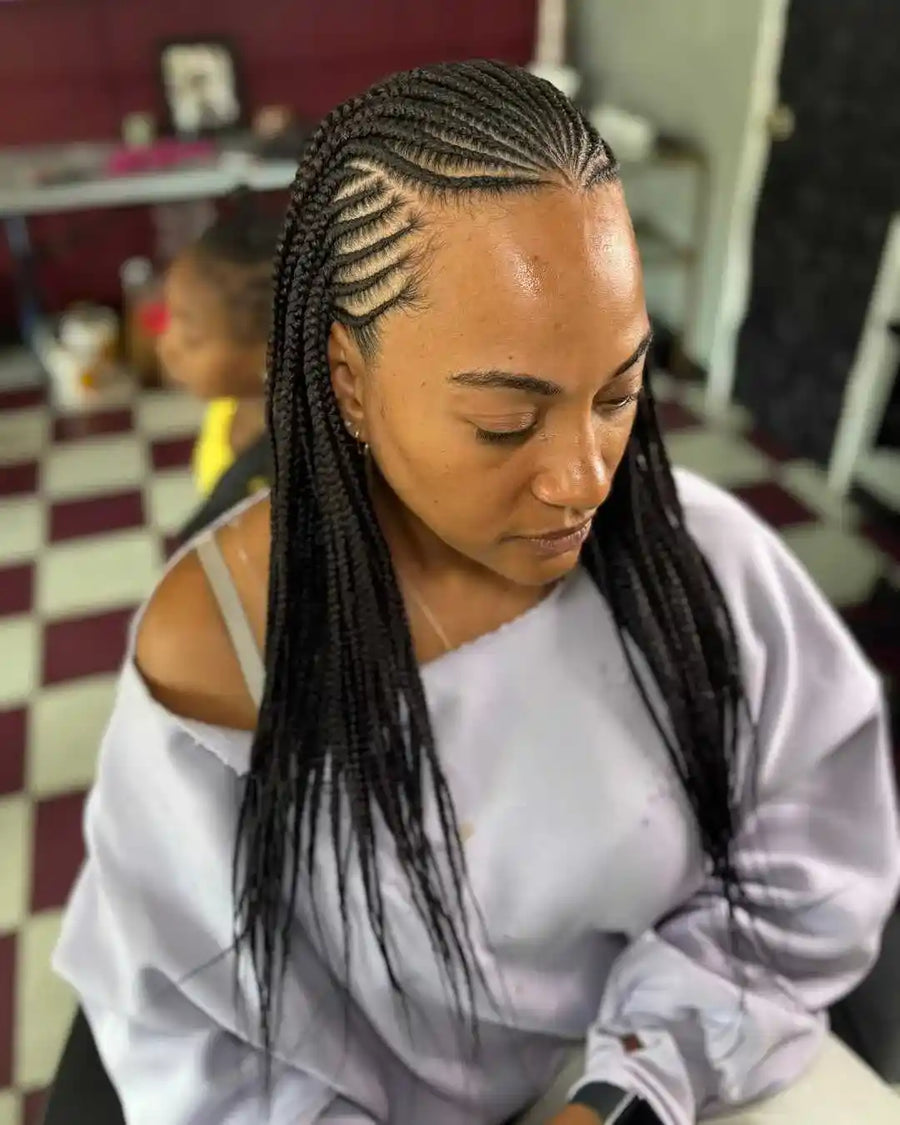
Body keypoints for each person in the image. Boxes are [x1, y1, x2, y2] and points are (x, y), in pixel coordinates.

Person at [53, 61, 900, 1125]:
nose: (584, 480)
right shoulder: (227, 649)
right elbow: (201, 1042)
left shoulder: (705, 563)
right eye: (507, 422)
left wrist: (624, 1091)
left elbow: (801, 866)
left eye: (620, 393)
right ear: (349, 379)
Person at [156, 192, 277, 537]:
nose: (166, 347)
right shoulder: (227, 407)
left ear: (270, 352)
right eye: (169, 321)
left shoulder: (301, 469)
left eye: (192, 338)